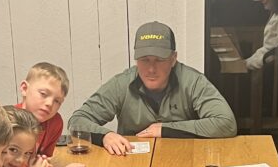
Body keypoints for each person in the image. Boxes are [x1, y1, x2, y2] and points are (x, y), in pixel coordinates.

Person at [68, 21, 237, 155]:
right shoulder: (122, 83)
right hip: (132, 166)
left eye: (159, 60)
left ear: (173, 59)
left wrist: (166, 130)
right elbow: (77, 121)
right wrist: (105, 136)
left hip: (185, 160)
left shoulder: (193, 81)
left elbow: (226, 123)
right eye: (144, 59)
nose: (151, 69)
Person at [17, 62, 87, 167]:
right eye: (43, 94)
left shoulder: (55, 122)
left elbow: (43, 164)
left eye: (57, 101)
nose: (49, 103)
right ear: (24, 89)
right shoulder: (12, 126)